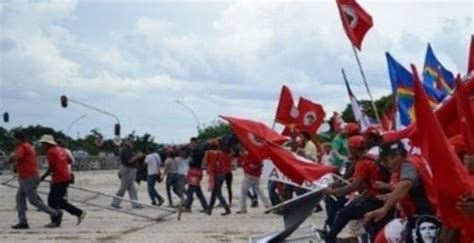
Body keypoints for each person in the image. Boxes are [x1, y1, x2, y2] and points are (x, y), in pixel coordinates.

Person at [365, 141, 439, 243]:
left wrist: (385, 208)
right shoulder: (413, 162)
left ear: (397, 155)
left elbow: (406, 183)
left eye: (385, 161)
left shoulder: (409, 164)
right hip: (418, 216)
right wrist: (392, 196)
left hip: (426, 218)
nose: (385, 165)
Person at [322, 135, 391, 242]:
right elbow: (350, 178)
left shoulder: (362, 163)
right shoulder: (371, 158)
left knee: (343, 214)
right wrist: (335, 185)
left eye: (349, 149)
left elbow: (354, 185)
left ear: (353, 149)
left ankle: (329, 239)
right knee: (373, 228)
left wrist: (333, 192)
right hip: (381, 198)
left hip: (375, 199)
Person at [7, 131, 63, 229]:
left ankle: (55, 213)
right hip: (27, 176)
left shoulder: (22, 146)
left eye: (14, 139)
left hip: (29, 177)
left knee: (33, 200)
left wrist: (10, 159)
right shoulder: (28, 146)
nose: (13, 141)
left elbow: (17, 157)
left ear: (19, 139)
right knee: (20, 199)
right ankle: (23, 221)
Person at [39, 134, 86, 227]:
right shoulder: (61, 149)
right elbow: (69, 160)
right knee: (53, 200)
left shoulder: (50, 152)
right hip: (66, 177)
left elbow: (51, 167)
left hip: (59, 179)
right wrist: (62, 165)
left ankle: (79, 213)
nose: (43, 146)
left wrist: (43, 177)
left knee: (58, 201)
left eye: (44, 143)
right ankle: (55, 221)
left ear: (48, 143)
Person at [111, 138, 144, 209]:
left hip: (129, 170)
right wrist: (137, 156)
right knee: (123, 188)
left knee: (132, 188)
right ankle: (115, 203)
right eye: (131, 142)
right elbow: (129, 161)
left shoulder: (127, 149)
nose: (132, 143)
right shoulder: (125, 150)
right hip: (127, 170)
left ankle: (135, 204)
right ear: (127, 142)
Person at [236, 148, 271, 214]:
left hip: (250, 175)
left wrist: (255, 166)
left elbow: (259, 164)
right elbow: (262, 163)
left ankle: (243, 209)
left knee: (243, 192)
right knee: (258, 190)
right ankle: (268, 205)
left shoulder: (250, 155)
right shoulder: (254, 154)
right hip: (256, 175)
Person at [182, 137, 209, 213]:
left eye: (194, 143)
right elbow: (184, 157)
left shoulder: (199, 151)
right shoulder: (191, 151)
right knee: (198, 191)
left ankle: (188, 207)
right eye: (192, 143)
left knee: (190, 190)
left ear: (197, 143)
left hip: (196, 172)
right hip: (191, 171)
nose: (193, 144)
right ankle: (205, 206)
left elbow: (202, 160)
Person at [205, 147, 231, 216]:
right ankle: (209, 210)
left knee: (217, 193)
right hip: (222, 174)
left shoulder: (210, 153)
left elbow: (206, 162)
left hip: (215, 174)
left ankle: (227, 209)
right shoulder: (222, 153)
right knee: (214, 193)